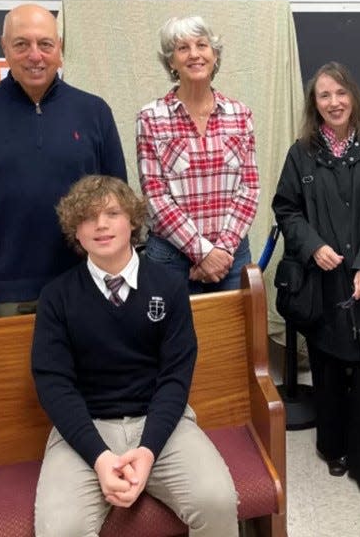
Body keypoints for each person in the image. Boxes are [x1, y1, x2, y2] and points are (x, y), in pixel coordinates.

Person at [31, 175, 237, 536]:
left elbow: (176, 377)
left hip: (160, 423)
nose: (101, 225)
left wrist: (147, 451)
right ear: (74, 232)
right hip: (85, 428)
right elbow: (54, 385)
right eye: (88, 217)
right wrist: (99, 457)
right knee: (61, 528)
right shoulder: (56, 297)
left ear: (133, 221)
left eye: (112, 212)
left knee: (217, 500)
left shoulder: (169, 287)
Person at [0, 3, 127, 345]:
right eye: (21, 44)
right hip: (1, 296)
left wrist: (117, 277)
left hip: (85, 288)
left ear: (60, 50)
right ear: (4, 48)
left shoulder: (94, 112)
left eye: (45, 44)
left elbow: (119, 205)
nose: (35, 55)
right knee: (11, 396)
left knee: (86, 393)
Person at [272, 61, 360, 516]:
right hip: (323, 279)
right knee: (326, 367)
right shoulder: (301, 152)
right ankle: (333, 449)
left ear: (354, 98)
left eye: (340, 94)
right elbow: (286, 209)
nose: (333, 103)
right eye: (324, 95)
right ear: (315, 103)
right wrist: (312, 246)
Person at [136, 16, 260, 293]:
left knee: (231, 336)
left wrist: (222, 251)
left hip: (231, 257)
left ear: (214, 56)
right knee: (170, 337)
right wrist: (202, 252)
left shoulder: (241, 115)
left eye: (202, 45)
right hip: (171, 259)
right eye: (182, 48)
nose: (194, 54)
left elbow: (249, 188)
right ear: (171, 62)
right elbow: (155, 196)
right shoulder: (150, 118)